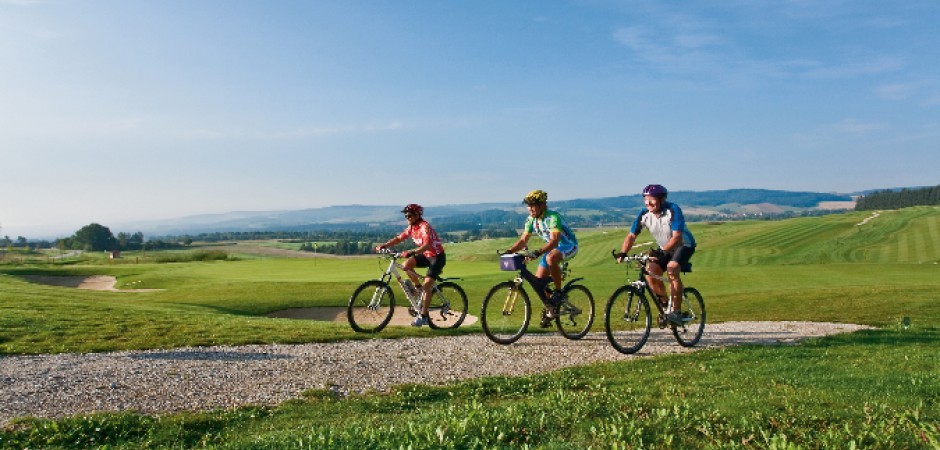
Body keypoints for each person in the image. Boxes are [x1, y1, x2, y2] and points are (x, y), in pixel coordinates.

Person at [618, 184, 696, 325]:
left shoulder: (672, 210)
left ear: (662, 199)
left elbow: (677, 237)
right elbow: (631, 236)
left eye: (652, 200)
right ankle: (666, 307)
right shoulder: (644, 214)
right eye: (646, 200)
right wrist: (623, 253)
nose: (648, 203)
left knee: (672, 269)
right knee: (650, 272)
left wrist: (662, 252)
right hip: (664, 248)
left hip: (683, 245)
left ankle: (676, 312)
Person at [505, 189, 579, 325]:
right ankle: (551, 309)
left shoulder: (552, 218)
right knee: (539, 283)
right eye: (528, 205)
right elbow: (522, 241)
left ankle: (558, 292)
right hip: (552, 250)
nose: (530, 208)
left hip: (569, 246)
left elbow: (555, 241)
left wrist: (538, 252)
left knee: (551, 258)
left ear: (542, 205)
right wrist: (509, 251)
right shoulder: (531, 220)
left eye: (533, 205)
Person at [376, 204, 446, 327]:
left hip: (437, 257)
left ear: (417, 215)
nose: (407, 217)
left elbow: (427, 245)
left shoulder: (424, 227)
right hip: (426, 255)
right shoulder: (411, 227)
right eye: (405, 215)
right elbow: (399, 238)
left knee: (427, 286)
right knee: (406, 265)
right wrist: (385, 245)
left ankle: (423, 317)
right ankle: (418, 289)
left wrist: (411, 252)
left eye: (409, 215)